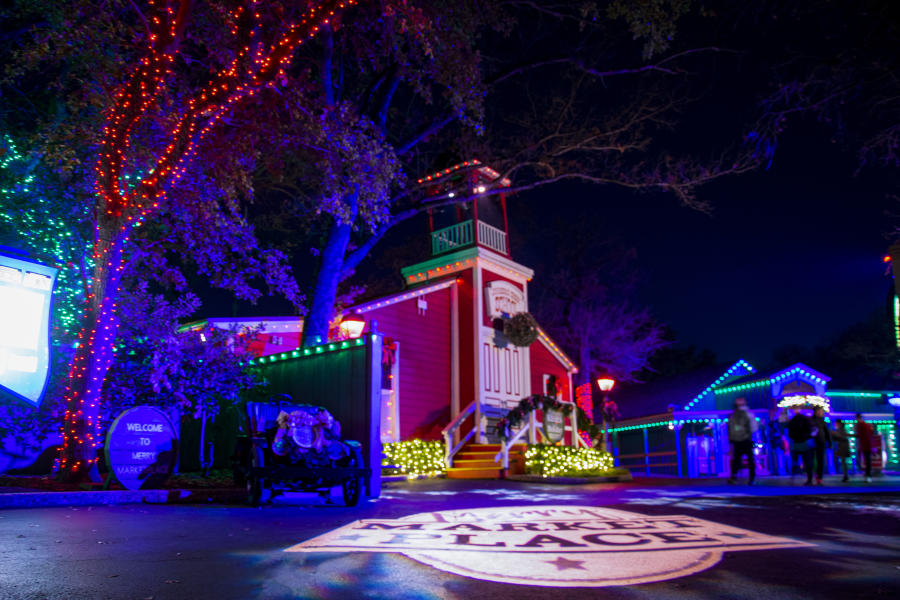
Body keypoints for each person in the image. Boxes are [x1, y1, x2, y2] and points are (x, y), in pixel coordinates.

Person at [727, 397, 758, 484]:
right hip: (747, 439)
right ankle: (752, 478)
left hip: (736, 441)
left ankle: (734, 477)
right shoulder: (749, 414)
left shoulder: (733, 414)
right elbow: (754, 428)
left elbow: (730, 428)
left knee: (736, 459)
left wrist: (731, 440)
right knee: (750, 459)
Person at [787, 408, 814, 484]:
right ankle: (809, 478)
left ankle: (793, 477)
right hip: (804, 442)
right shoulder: (805, 420)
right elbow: (810, 431)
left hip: (797, 442)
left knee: (795, 460)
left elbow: (790, 433)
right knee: (807, 460)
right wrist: (807, 437)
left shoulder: (792, 421)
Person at [809, 406, 832, 485]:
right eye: (821, 411)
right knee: (812, 460)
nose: (822, 413)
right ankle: (812, 477)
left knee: (820, 460)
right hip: (813, 443)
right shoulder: (811, 421)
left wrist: (829, 442)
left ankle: (819, 477)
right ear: (817, 411)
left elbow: (827, 433)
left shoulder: (823, 421)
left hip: (821, 443)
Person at [854, 413, 875, 483]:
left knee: (866, 460)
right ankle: (868, 474)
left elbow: (859, 435)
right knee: (867, 460)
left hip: (865, 445)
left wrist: (849, 435)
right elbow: (871, 432)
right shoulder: (866, 425)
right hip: (867, 445)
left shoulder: (860, 425)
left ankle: (868, 475)